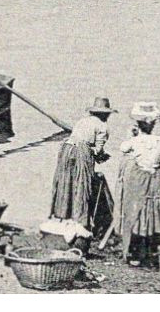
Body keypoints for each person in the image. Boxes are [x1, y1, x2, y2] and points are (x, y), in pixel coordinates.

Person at [116, 102, 160, 267]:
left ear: (138, 124)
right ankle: (148, 253)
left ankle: (134, 253)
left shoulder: (134, 142)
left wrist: (132, 135)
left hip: (138, 182)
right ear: (154, 124)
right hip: (155, 183)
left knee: (135, 214)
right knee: (151, 214)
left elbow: (123, 148)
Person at [50, 96, 113, 230]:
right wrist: (102, 156)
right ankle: (81, 220)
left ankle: (61, 215)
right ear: (105, 114)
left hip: (66, 149)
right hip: (81, 151)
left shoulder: (82, 121)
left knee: (65, 181)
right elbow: (98, 150)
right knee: (82, 184)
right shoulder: (103, 126)